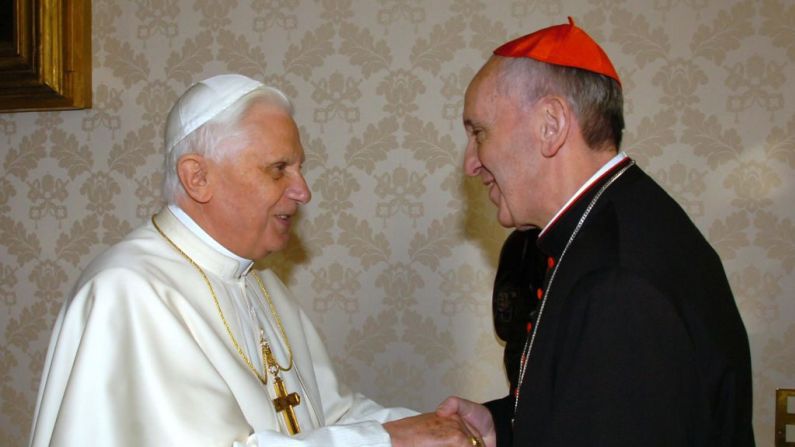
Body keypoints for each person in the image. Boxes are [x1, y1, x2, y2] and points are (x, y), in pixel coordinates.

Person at [29, 74, 483, 446]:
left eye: (300, 168)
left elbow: (331, 414)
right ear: (198, 177)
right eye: (278, 169)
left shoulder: (258, 283)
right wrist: (386, 441)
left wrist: (437, 427)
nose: (303, 191)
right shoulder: (129, 291)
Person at [438, 18, 755, 447]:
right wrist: (503, 424)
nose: (470, 163)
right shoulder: (613, 224)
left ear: (551, 124)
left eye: (478, 132)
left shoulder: (618, 283)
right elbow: (595, 408)